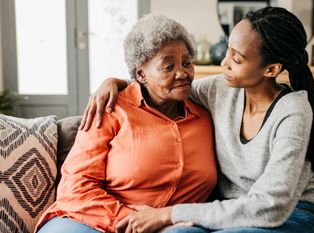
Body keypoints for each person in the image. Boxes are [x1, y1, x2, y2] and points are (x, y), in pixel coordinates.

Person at [82, 6, 314, 233]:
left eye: (237, 58)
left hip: (294, 216)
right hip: (231, 216)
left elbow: (271, 206)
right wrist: (117, 83)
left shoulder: (293, 111)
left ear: (271, 69)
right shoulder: (221, 89)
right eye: (228, 49)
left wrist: (169, 214)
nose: (224, 62)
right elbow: (167, 85)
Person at [35, 14, 217, 233]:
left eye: (187, 63)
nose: (182, 73)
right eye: (168, 67)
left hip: (175, 227)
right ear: (141, 74)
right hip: (89, 220)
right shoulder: (111, 108)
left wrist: (163, 220)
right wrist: (135, 220)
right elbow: (76, 186)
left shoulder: (206, 115)